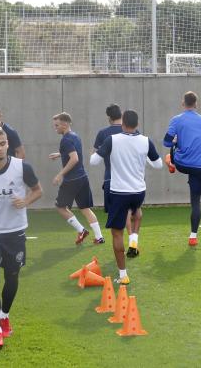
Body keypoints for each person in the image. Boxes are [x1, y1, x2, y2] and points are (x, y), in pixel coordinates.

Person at [91, 110, 162, 284]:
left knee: (116, 233)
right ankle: (134, 239)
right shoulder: (146, 141)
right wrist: (142, 159)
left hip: (118, 191)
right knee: (136, 210)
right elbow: (158, 165)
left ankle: (123, 276)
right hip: (139, 191)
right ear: (137, 124)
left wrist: (100, 152)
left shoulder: (112, 140)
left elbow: (94, 161)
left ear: (123, 123)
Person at [0, 126, 42, 347]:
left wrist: (26, 201)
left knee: (12, 278)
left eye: (2, 144)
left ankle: (4, 315)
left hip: (15, 232)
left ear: (7, 144)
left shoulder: (22, 167)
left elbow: (38, 190)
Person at [163, 91, 201, 247]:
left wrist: (176, 141)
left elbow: (166, 142)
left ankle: (171, 164)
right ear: (196, 104)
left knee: (170, 152)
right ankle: (193, 236)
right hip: (200, 165)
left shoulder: (176, 120)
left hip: (182, 164)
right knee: (195, 201)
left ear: (183, 103)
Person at [94, 104, 142, 257]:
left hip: (112, 179)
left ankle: (129, 244)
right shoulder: (135, 132)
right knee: (133, 210)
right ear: (121, 115)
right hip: (133, 179)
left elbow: (97, 155)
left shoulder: (103, 133)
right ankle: (133, 242)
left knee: (121, 215)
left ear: (108, 117)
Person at [50, 112, 104, 245]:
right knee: (85, 208)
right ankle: (99, 237)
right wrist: (60, 154)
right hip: (82, 178)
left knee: (60, 207)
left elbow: (74, 158)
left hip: (71, 180)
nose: (55, 128)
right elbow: (73, 153)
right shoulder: (75, 136)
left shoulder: (66, 140)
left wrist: (60, 174)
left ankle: (81, 230)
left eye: (57, 125)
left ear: (65, 124)